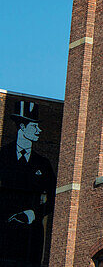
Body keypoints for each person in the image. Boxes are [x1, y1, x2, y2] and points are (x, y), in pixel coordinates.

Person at [0, 100, 55, 266]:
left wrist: (33, 214)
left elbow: (54, 197)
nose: (39, 130)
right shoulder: (2, 156)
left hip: (31, 239)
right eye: (34, 126)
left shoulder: (43, 163)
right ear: (22, 127)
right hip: (4, 235)